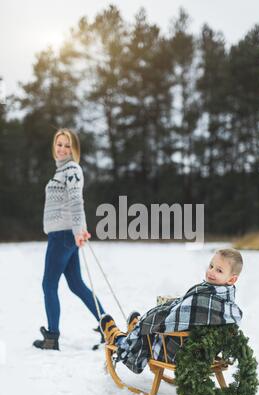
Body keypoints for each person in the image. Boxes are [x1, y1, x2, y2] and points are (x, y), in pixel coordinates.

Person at [100, 248, 244, 374]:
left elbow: (167, 321)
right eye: (211, 266)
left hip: (174, 352)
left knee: (149, 326)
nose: (211, 272)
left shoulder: (202, 300)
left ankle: (117, 337)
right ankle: (136, 330)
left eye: (219, 270)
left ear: (232, 279)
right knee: (154, 320)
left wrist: (146, 323)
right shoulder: (228, 306)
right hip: (202, 353)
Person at [33, 128, 106, 351]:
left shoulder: (72, 170)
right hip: (66, 235)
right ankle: (107, 326)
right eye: (59, 144)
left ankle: (52, 337)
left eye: (67, 145)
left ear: (74, 149)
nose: (62, 149)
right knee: (76, 284)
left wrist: (77, 231)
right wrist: (79, 230)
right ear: (54, 146)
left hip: (63, 236)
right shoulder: (62, 171)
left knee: (49, 284)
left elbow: (76, 202)